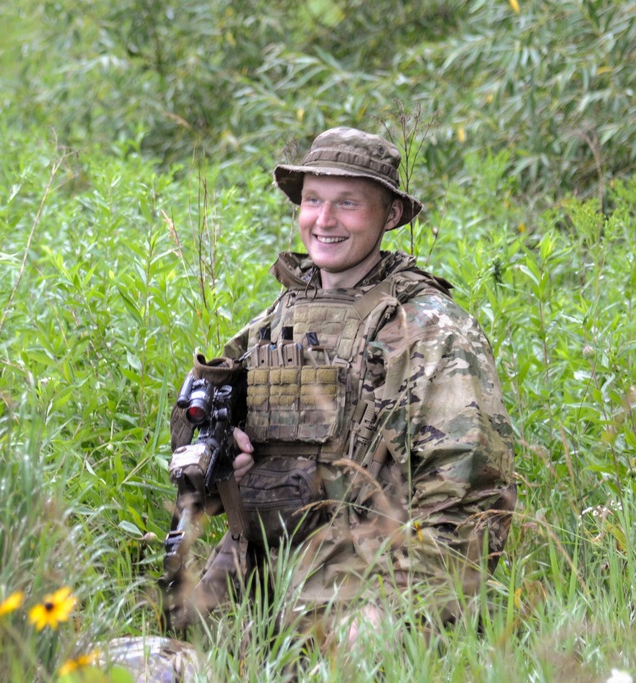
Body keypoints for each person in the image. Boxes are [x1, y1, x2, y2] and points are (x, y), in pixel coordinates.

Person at [162, 126, 517, 643]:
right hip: (259, 565)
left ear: (390, 215)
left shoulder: (429, 326)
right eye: (312, 201)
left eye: (347, 203)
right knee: (165, 653)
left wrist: (402, 611)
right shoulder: (276, 320)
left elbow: (470, 497)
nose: (324, 221)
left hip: (373, 577)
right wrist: (228, 460)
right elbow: (198, 445)